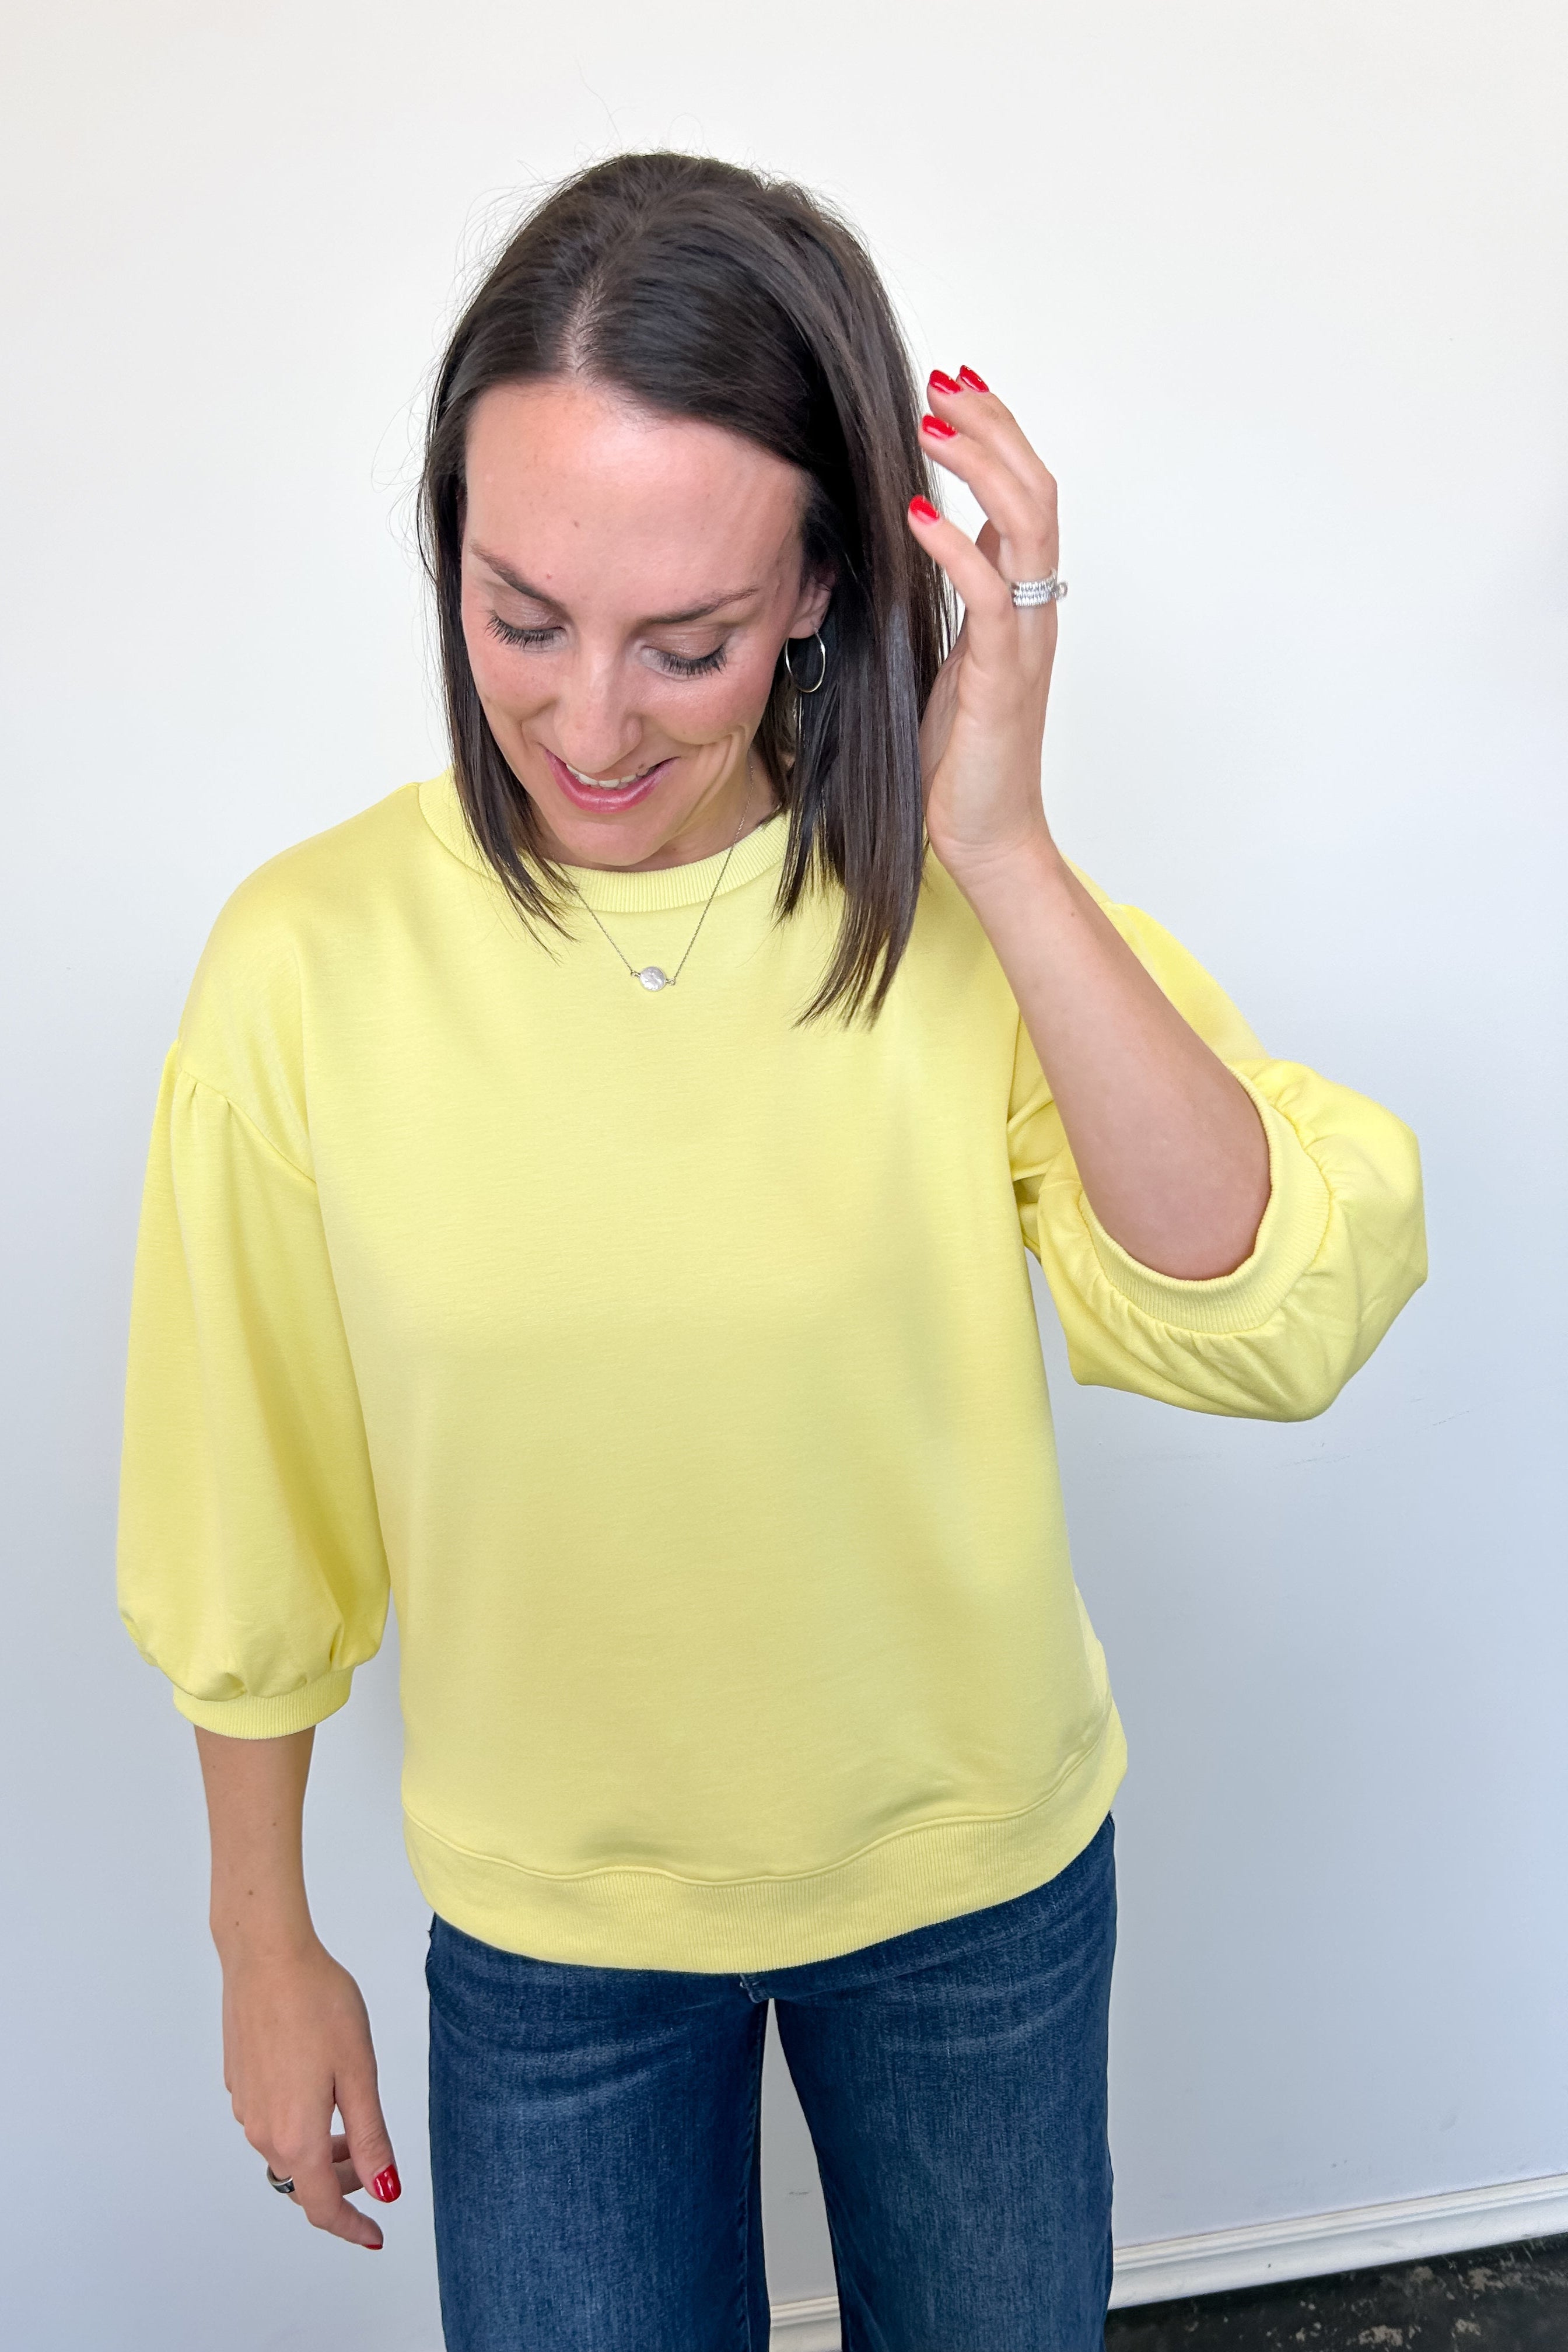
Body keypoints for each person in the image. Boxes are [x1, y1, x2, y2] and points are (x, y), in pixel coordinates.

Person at [116, 150, 1426, 2352]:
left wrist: (992, 835)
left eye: (688, 642)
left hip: (974, 1899)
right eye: (518, 613)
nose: (591, 723)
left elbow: (1267, 1308)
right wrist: (264, 1942)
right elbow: (245, 1491)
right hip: (550, 1945)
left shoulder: (952, 910)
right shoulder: (305, 964)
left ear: (823, 585)